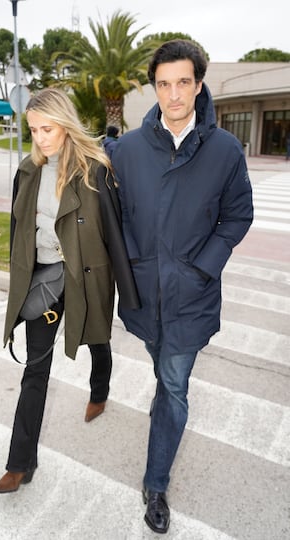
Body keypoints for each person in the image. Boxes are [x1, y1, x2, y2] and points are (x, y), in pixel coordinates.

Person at [111, 39, 253, 534]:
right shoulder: (126, 149)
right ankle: (163, 417)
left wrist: (202, 268)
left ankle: (156, 483)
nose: (174, 95)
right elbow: (110, 212)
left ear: (199, 83)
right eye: (164, 84)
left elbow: (239, 214)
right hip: (144, 296)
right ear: (155, 86)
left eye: (183, 83)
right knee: (161, 371)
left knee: (173, 386)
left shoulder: (225, 150)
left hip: (191, 297)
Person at [0, 87, 139, 494]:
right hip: (46, 279)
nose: (39, 137)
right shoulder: (28, 170)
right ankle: (19, 465)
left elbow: (114, 231)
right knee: (35, 369)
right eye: (33, 129)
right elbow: (20, 233)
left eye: (47, 128)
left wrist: (128, 293)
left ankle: (100, 390)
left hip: (86, 275)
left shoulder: (95, 169)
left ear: (65, 124)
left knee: (96, 339)